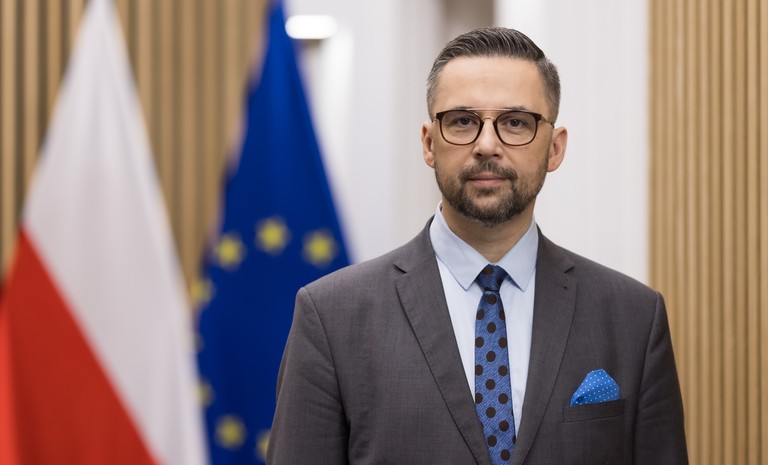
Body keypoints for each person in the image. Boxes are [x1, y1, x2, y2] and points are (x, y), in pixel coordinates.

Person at [267, 27, 688, 465]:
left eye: (516, 122)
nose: (487, 145)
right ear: (429, 143)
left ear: (555, 149)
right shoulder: (331, 317)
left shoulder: (634, 319)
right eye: (463, 121)